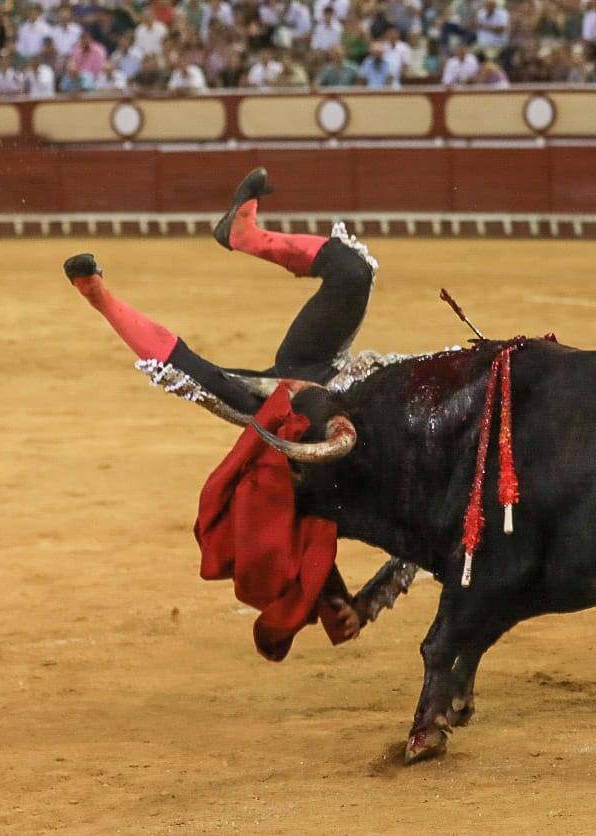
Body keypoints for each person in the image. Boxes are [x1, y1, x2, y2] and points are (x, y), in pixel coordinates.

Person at [61, 169, 381, 656]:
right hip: (320, 381)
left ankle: (98, 296)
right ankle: (244, 235)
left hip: (288, 404)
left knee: (195, 375)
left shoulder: (285, 433)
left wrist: (355, 600)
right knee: (353, 272)